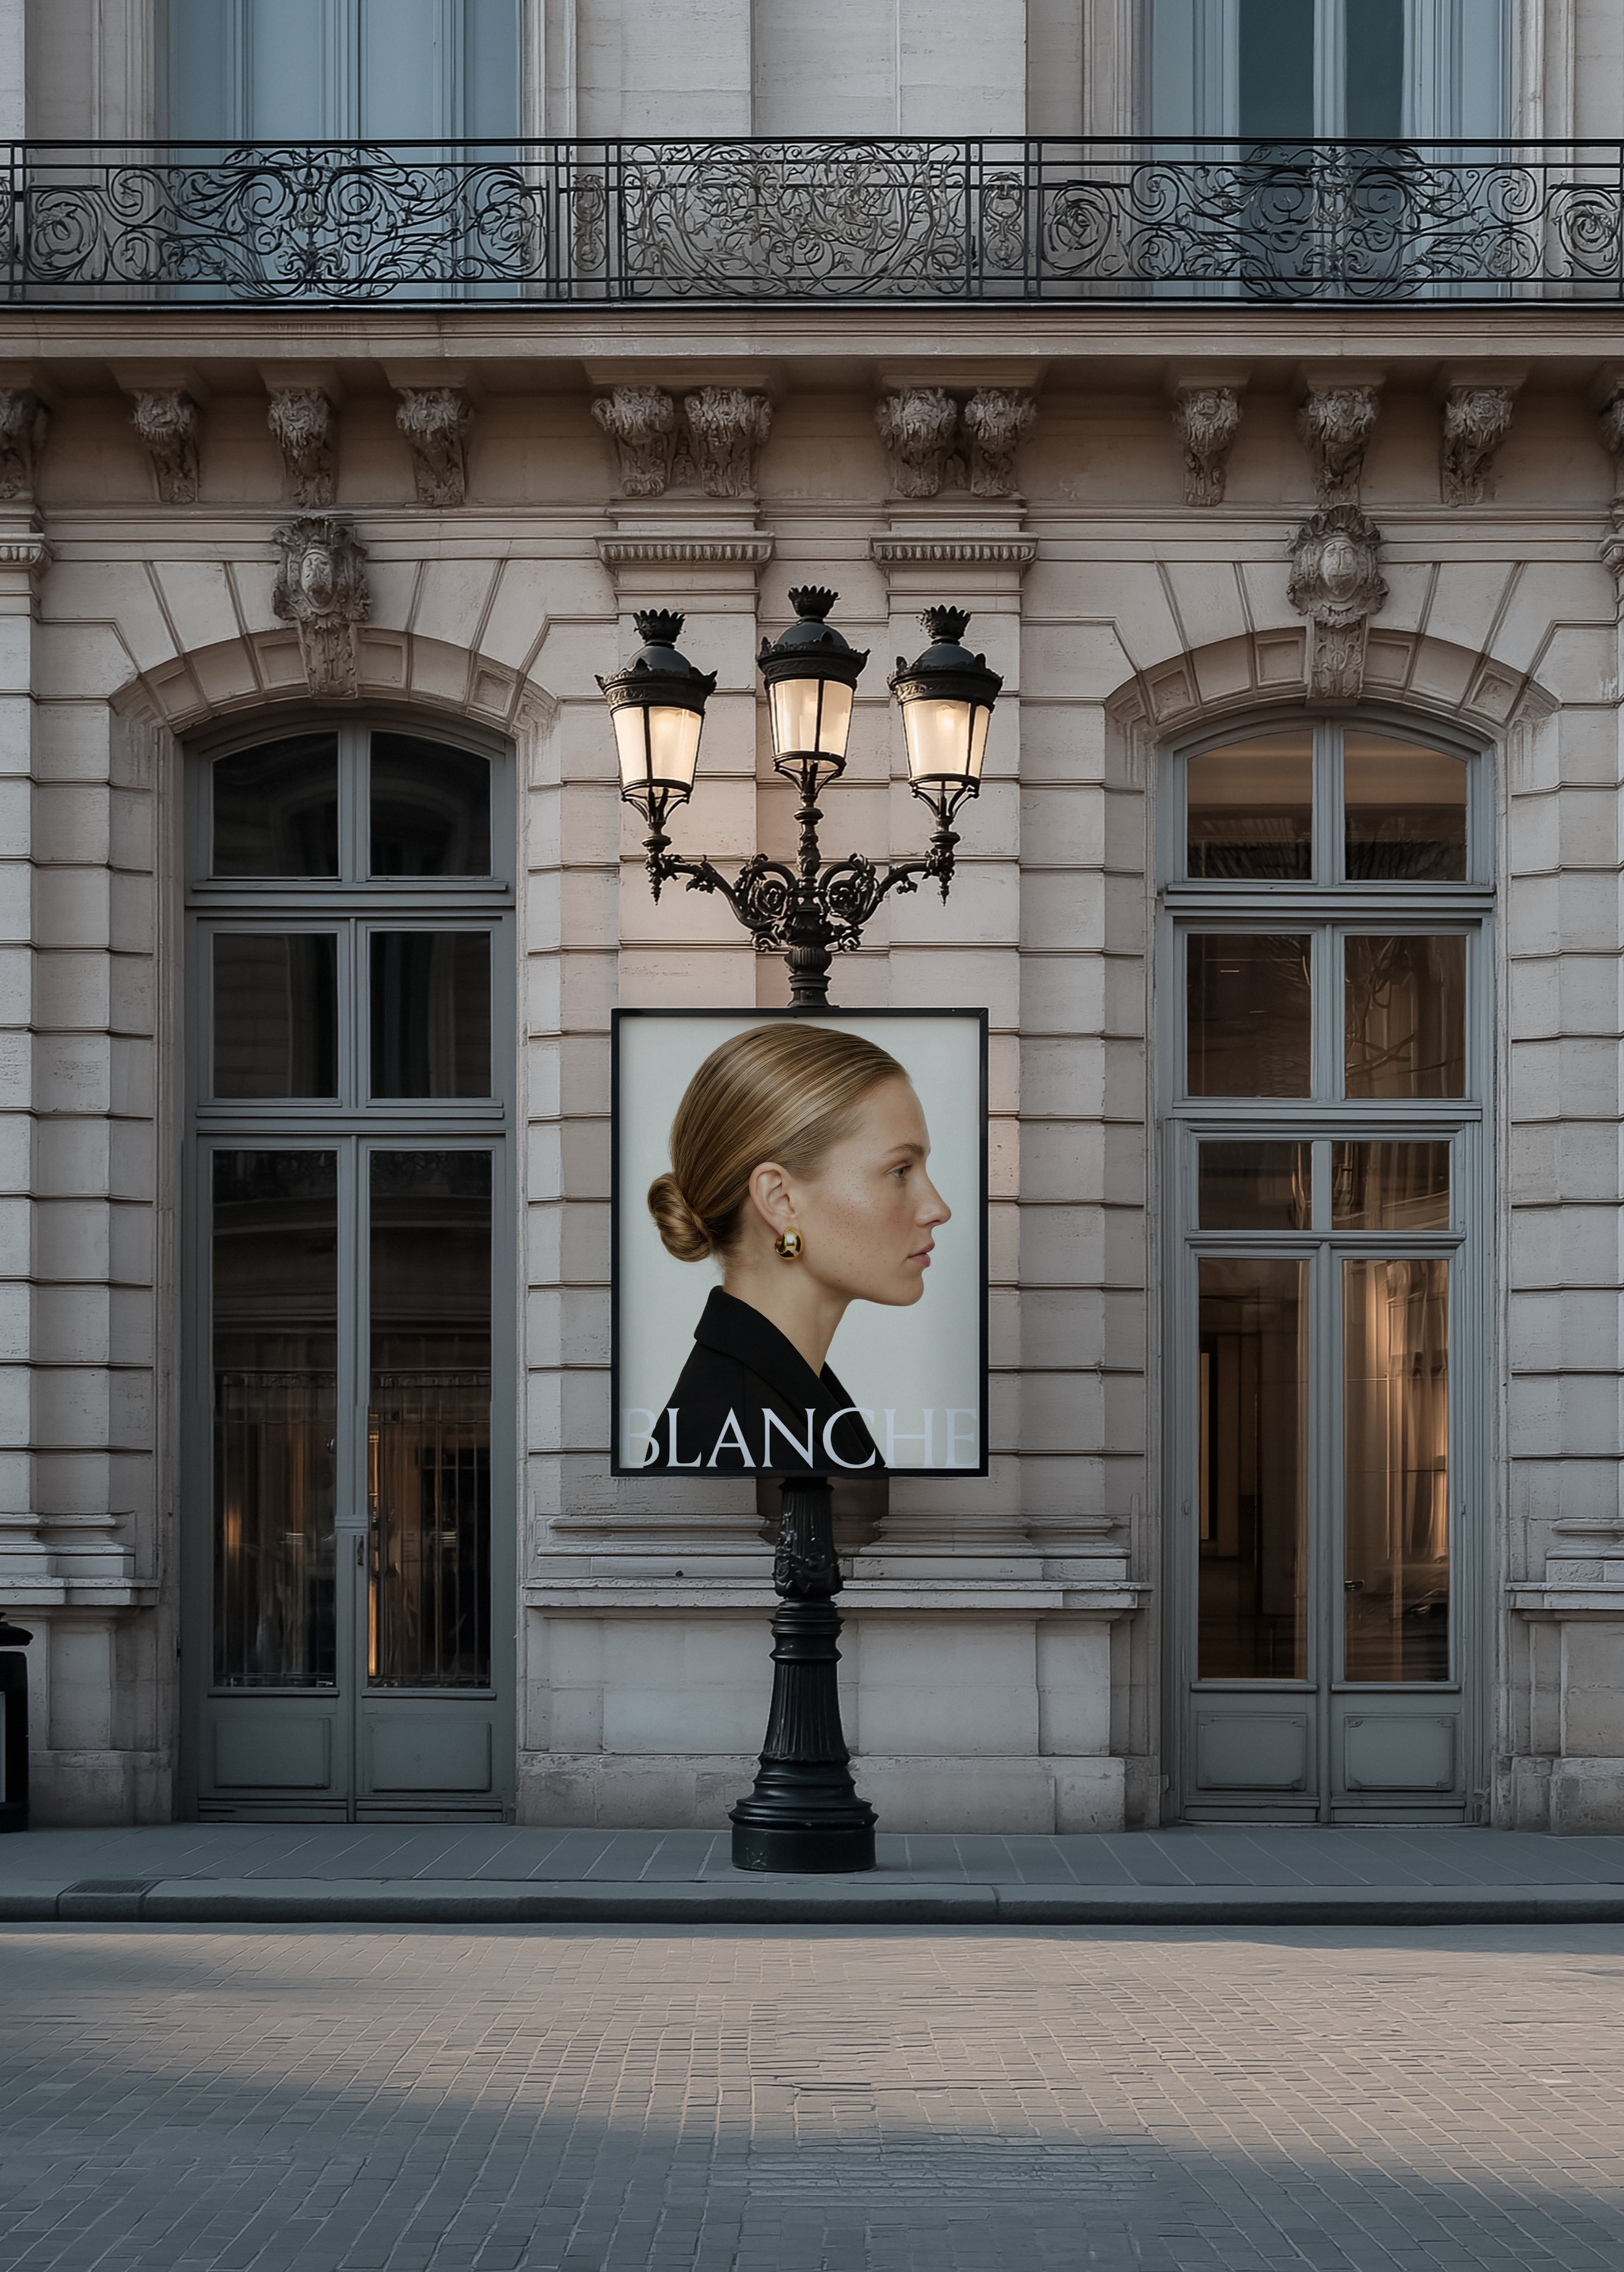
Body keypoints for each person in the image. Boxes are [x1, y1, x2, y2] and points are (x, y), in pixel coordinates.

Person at [637, 1022, 950, 1472]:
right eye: (900, 1170)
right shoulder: (737, 1434)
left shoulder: (781, 1394)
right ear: (780, 1199)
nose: (937, 1208)